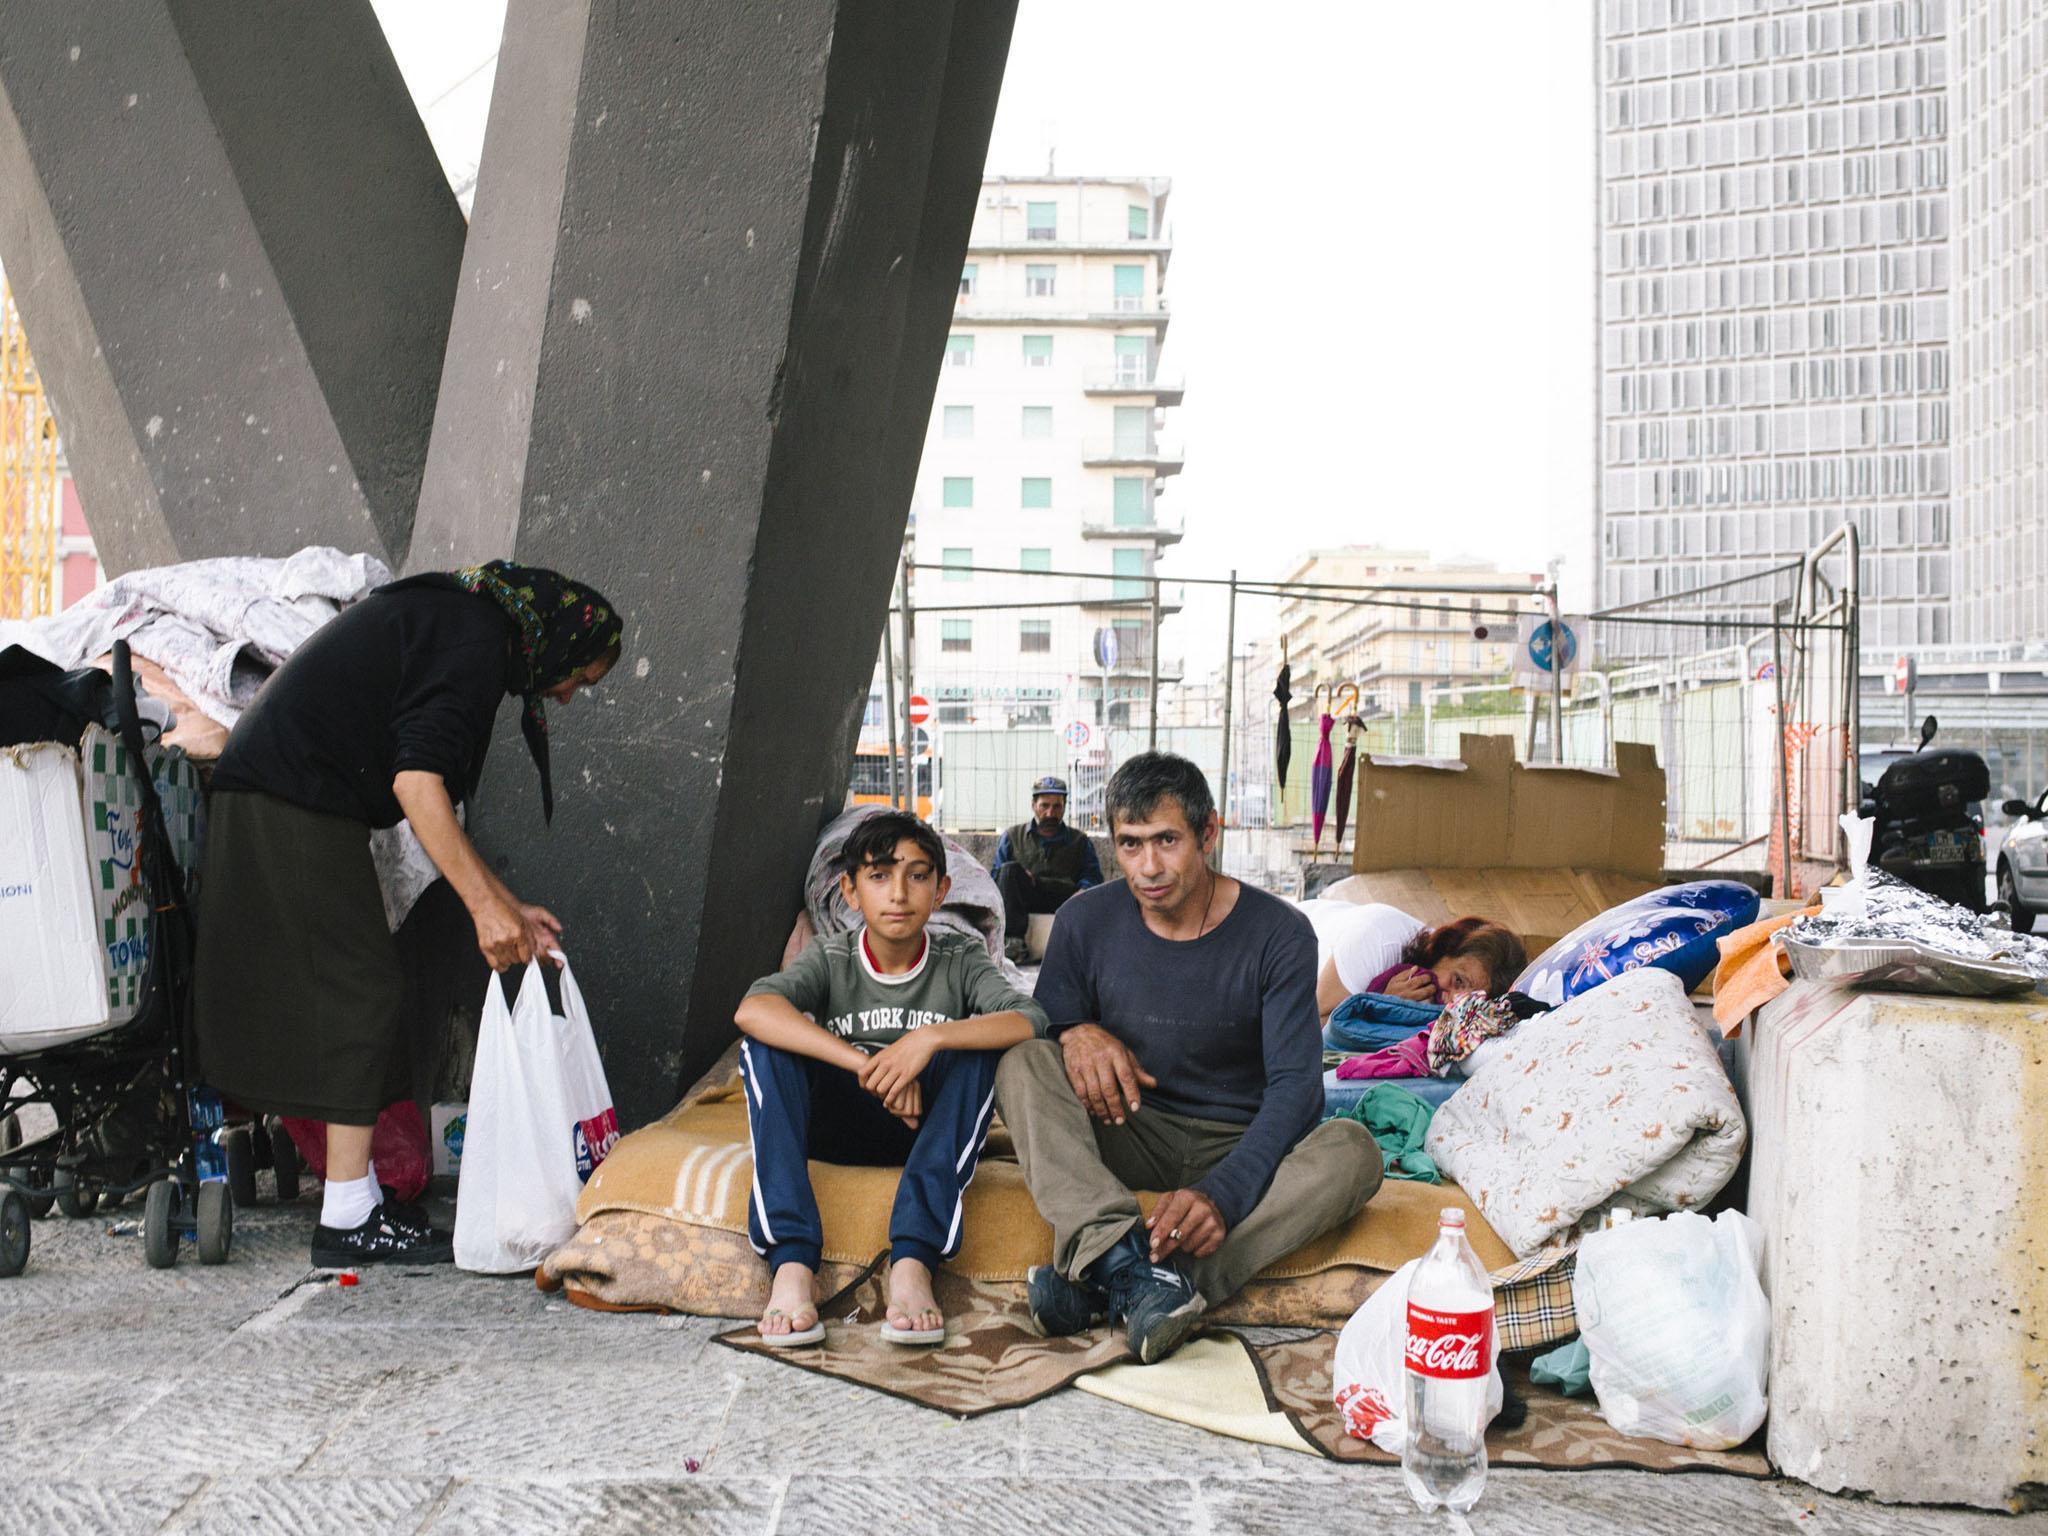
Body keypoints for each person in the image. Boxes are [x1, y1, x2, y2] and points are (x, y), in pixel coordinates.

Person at [194, 560, 624, 1268]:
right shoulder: (475, 640)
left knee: (360, 988)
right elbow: (417, 784)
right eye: (580, 675)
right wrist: (486, 911)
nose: (571, 695)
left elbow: (424, 791)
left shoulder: (470, 623)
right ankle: (347, 1217)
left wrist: (509, 908)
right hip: (287, 795)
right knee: (361, 991)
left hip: (291, 791)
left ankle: (354, 1199)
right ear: (558, 639)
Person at [995, 752, 1381, 1364]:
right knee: (1022, 1061)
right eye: (1130, 844)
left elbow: (1296, 1089)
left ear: (1208, 834)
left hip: (1240, 1138)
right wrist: (1073, 1032)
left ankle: (1124, 1280)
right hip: (1129, 1125)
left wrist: (1223, 1195)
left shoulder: (1279, 933)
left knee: (1353, 1151)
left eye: (1167, 841)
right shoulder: (1083, 921)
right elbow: (1045, 1025)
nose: (1148, 867)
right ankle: (1119, 1255)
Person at [734, 811, 1049, 1348]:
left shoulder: (960, 957)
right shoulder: (832, 958)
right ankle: (791, 1263)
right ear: (850, 892)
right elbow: (753, 1010)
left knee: (982, 1050)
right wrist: (868, 1066)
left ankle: (913, 1260)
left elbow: (1031, 1021)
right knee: (767, 1045)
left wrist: (927, 1041)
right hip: (836, 1124)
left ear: (942, 889)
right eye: (879, 876)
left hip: (922, 1129)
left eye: (917, 875)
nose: (898, 893)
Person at [1308, 907, 1528, 1018]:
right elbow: (1306, 1029)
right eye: (1458, 981)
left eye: (1469, 1000)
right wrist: (1378, 1005)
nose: (1451, 1000)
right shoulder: (1376, 940)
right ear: (1445, 950)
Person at [990, 775, 1104, 962]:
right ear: (1034, 805)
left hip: (1064, 899)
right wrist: (1019, 876)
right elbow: (995, 878)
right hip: (1027, 899)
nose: (1050, 813)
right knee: (1009, 870)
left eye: (1057, 806)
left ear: (1065, 807)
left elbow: (1093, 878)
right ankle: (1014, 944)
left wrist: (1082, 892)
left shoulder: (1079, 841)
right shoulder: (1012, 837)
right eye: (1045, 806)